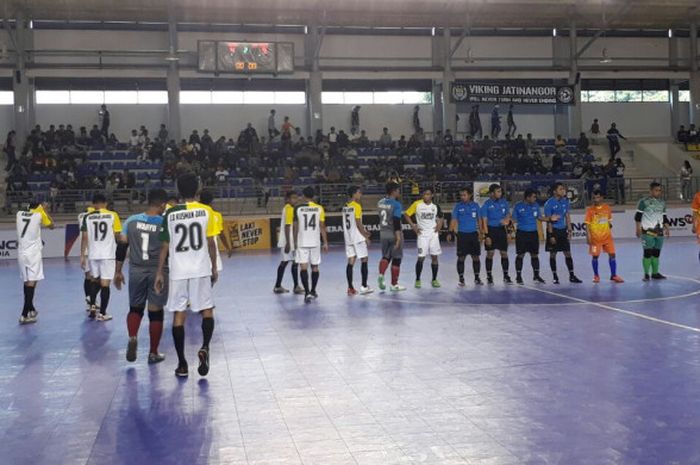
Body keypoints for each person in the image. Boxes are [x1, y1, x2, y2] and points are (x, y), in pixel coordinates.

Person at [155, 173, 219, 378]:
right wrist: (215, 267)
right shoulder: (206, 211)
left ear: (178, 189)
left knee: (178, 314)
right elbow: (210, 242)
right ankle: (205, 347)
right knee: (207, 309)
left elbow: (165, 245)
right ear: (198, 189)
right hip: (200, 268)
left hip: (178, 270)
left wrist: (159, 272)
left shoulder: (169, 213)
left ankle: (182, 364)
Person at [114, 189, 168, 364]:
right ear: (162, 205)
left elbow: (122, 246)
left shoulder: (131, 220)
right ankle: (153, 353)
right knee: (156, 312)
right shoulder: (164, 222)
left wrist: (117, 271)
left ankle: (132, 337)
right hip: (157, 270)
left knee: (135, 308)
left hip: (136, 270)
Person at [80, 193, 122, 321]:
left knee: (94, 280)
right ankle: (103, 313)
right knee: (105, 284)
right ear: (105, 203)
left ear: (94, 204)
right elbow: (117, 235)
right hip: (107, 254)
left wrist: (82, 255)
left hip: (93, 254)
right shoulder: (112, 215)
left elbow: (85, 237)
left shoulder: (87, 217)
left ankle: (92, 305)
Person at [16, 200, 54, 324]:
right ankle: (24, 314)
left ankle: (31, 308)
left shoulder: (19, 214)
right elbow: (51, 225)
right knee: (32, 282)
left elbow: (29, 211)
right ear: (39, 207)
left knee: (27, 281)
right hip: (33, 253)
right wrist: (44, 211)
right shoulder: (39, 215)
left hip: (21, 253)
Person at [294, 186, 329, 303]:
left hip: (302, 241)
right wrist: (325, 242)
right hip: (315, 241)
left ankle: (307, 292)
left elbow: (296, 226)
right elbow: (322, 226)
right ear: (314, 196)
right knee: (315, 266)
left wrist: (294, 241)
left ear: (303, 196)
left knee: (303, 267)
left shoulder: (297, 208)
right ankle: (313, 290)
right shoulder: (319, 208)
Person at [405, 187, 444, 289]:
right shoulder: (417, 204)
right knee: (421, 257)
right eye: (425, 194)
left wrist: (439, 225)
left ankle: (434, 279)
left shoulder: (435, 206)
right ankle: (418, 279)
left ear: (432, 195)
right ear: (422, 195)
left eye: (428, 194)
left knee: (435, 257)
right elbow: (406, 215)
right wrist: (413, 226)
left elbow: (441, 216)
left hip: (433, 235)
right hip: (422, 235)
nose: (427, 196)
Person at [544, 182, 582, 284]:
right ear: (555, 191)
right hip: (554, 230)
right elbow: (549, 221)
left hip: (563, 230)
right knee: (553, 254)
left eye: (563, 189)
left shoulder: (565, 201)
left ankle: (572, 275)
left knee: (568, 253)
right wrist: (551, 235)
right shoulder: (549, 204)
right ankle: (555, 276)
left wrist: (569, 230)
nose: (563, 191)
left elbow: (567, 216)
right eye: (561, 189)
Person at [585, 190, 624, 284]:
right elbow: (587, 225)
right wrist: (588, 236)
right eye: (594, 198)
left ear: (602, 197)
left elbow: (609, 221)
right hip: (595, 239)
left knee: (612, 255)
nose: (595, 199)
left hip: (607, 237)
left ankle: (614, 275)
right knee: (595, 256)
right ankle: (596, 276)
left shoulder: (607, 208)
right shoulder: (590, 210)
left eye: (597, 197)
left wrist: (608, 225)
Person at [635, 182, 670, 281]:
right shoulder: (643, 202)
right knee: (647, 253)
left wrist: (667, 228)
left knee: (656, 253)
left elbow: (664, 217)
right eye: (656, 190)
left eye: (659, 190)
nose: (658, 192)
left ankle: (655, 273)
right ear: (650, 191)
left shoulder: (662, 203)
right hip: (647, 232)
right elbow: (638, 217)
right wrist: (638, 229)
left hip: (659, 232)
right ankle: (646, 274)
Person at [342, 186, 373, 295]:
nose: (360, 194)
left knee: (351, 261)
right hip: (357, 237)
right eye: (359, 192)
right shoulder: (357, 206)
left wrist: (364, 231)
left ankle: (350, 288)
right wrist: (365, 236)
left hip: (349, 238)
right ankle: (364, 286)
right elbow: (358, 223)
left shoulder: (345, 207)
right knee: (364, 259)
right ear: (354, 194)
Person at [450, 187, 482, 286]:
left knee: (476, 257)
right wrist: (450, 232)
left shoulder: (476, 206)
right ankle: (461, 279)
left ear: (470, 195)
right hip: (462, 235)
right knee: (461, 258)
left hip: (473, 235)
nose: (462, 197)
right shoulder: (458, 206)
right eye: (461, 195)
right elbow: (454, 220)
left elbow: (479, 220)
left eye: (464, 195)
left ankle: (477, 278)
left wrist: (482, 233)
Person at [512, 189, 545, 285]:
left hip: (533, 234)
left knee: (534, 254)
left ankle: (536, 275)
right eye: (534, 197)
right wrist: (507, 222)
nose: (535, 199)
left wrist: (550, 219)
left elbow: (540, 217)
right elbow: (514, 219)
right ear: (527, 197)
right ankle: (518, 276)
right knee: (520, 255)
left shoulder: (536, 205)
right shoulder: (518, 206)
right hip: (522, 234)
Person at [480, 184, 512, 285]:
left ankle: (506, 276)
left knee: (504, 253)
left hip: (502, 230)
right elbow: (484, 221)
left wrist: (508, 228)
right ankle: (489, 276)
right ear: (491, 193)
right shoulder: (486, 205)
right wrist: (486, 236)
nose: (500, 193)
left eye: (500, 191)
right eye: (498, 191)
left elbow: (508, 215)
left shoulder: (504, 203)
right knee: (490, 253)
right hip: (491, 230)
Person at [377, 183, 406, 292]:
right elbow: (396, 221)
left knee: (386, 256)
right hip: (393, 233)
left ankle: (381, 274)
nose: (399, 192)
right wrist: (398, 238)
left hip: (383, 234)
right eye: (398, 190)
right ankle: (394, 285)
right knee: (397, 259)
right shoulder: (397, 205)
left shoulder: (379, 203)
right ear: (393, 191)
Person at [274, 191, 303, 294]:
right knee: (294, 262)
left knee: (286, 262)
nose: (295, 199)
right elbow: (288, 226)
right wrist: (289, 243)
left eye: (296, 197)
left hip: (288, 240)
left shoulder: (287, 208)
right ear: (288, 199)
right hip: (289, 240)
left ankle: (278, 286)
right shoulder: (290, 209)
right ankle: (296, 286)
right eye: (293, 198)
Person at [199, 189, 232, 274]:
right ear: (211, 201)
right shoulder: (216, 215)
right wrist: (227, 247)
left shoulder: (193, 213)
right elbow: (221, 234)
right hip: (211, 247)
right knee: (212, 274)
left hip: (196, 248)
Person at [78, 202, 96, 312]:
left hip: (84, 249)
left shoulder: (81, 216)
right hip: (92, 248)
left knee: (87, 276)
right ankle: (92, 300)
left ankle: (89, 299)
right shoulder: (92, 217)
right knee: (94, 278)